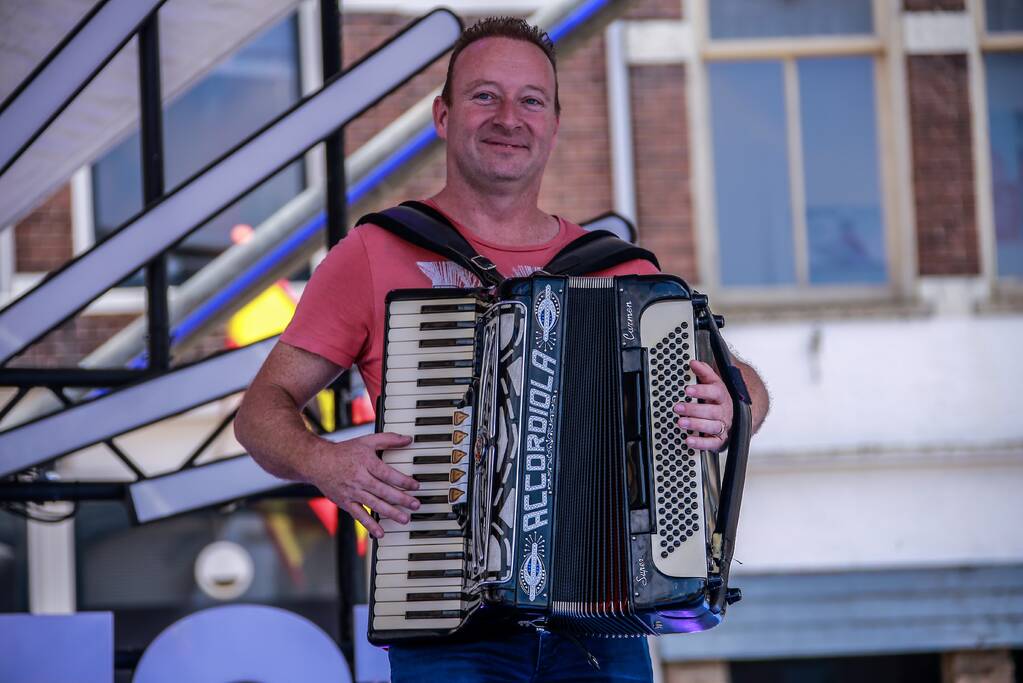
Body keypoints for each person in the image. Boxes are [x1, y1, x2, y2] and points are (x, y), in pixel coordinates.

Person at [235, 16, 770, 683]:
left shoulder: (618, 273)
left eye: (530, 100)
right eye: (485, 96)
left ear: (552, 125)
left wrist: (732, 400)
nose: (508, 117)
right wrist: (322, 459)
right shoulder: (375, 253)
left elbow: (739, 379)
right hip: (449, 627)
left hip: (603, 631)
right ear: (442, 115)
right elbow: (259, 410)